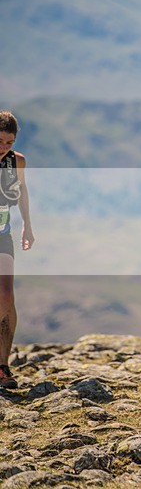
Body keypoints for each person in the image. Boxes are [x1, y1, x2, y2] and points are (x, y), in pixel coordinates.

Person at [0, 110, 34, 389]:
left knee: (6, 295)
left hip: (3, 234)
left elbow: (22, 192)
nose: (4, 147)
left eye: (9, 142)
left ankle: (3, 366)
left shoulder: (17, 161)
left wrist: (27, 226)